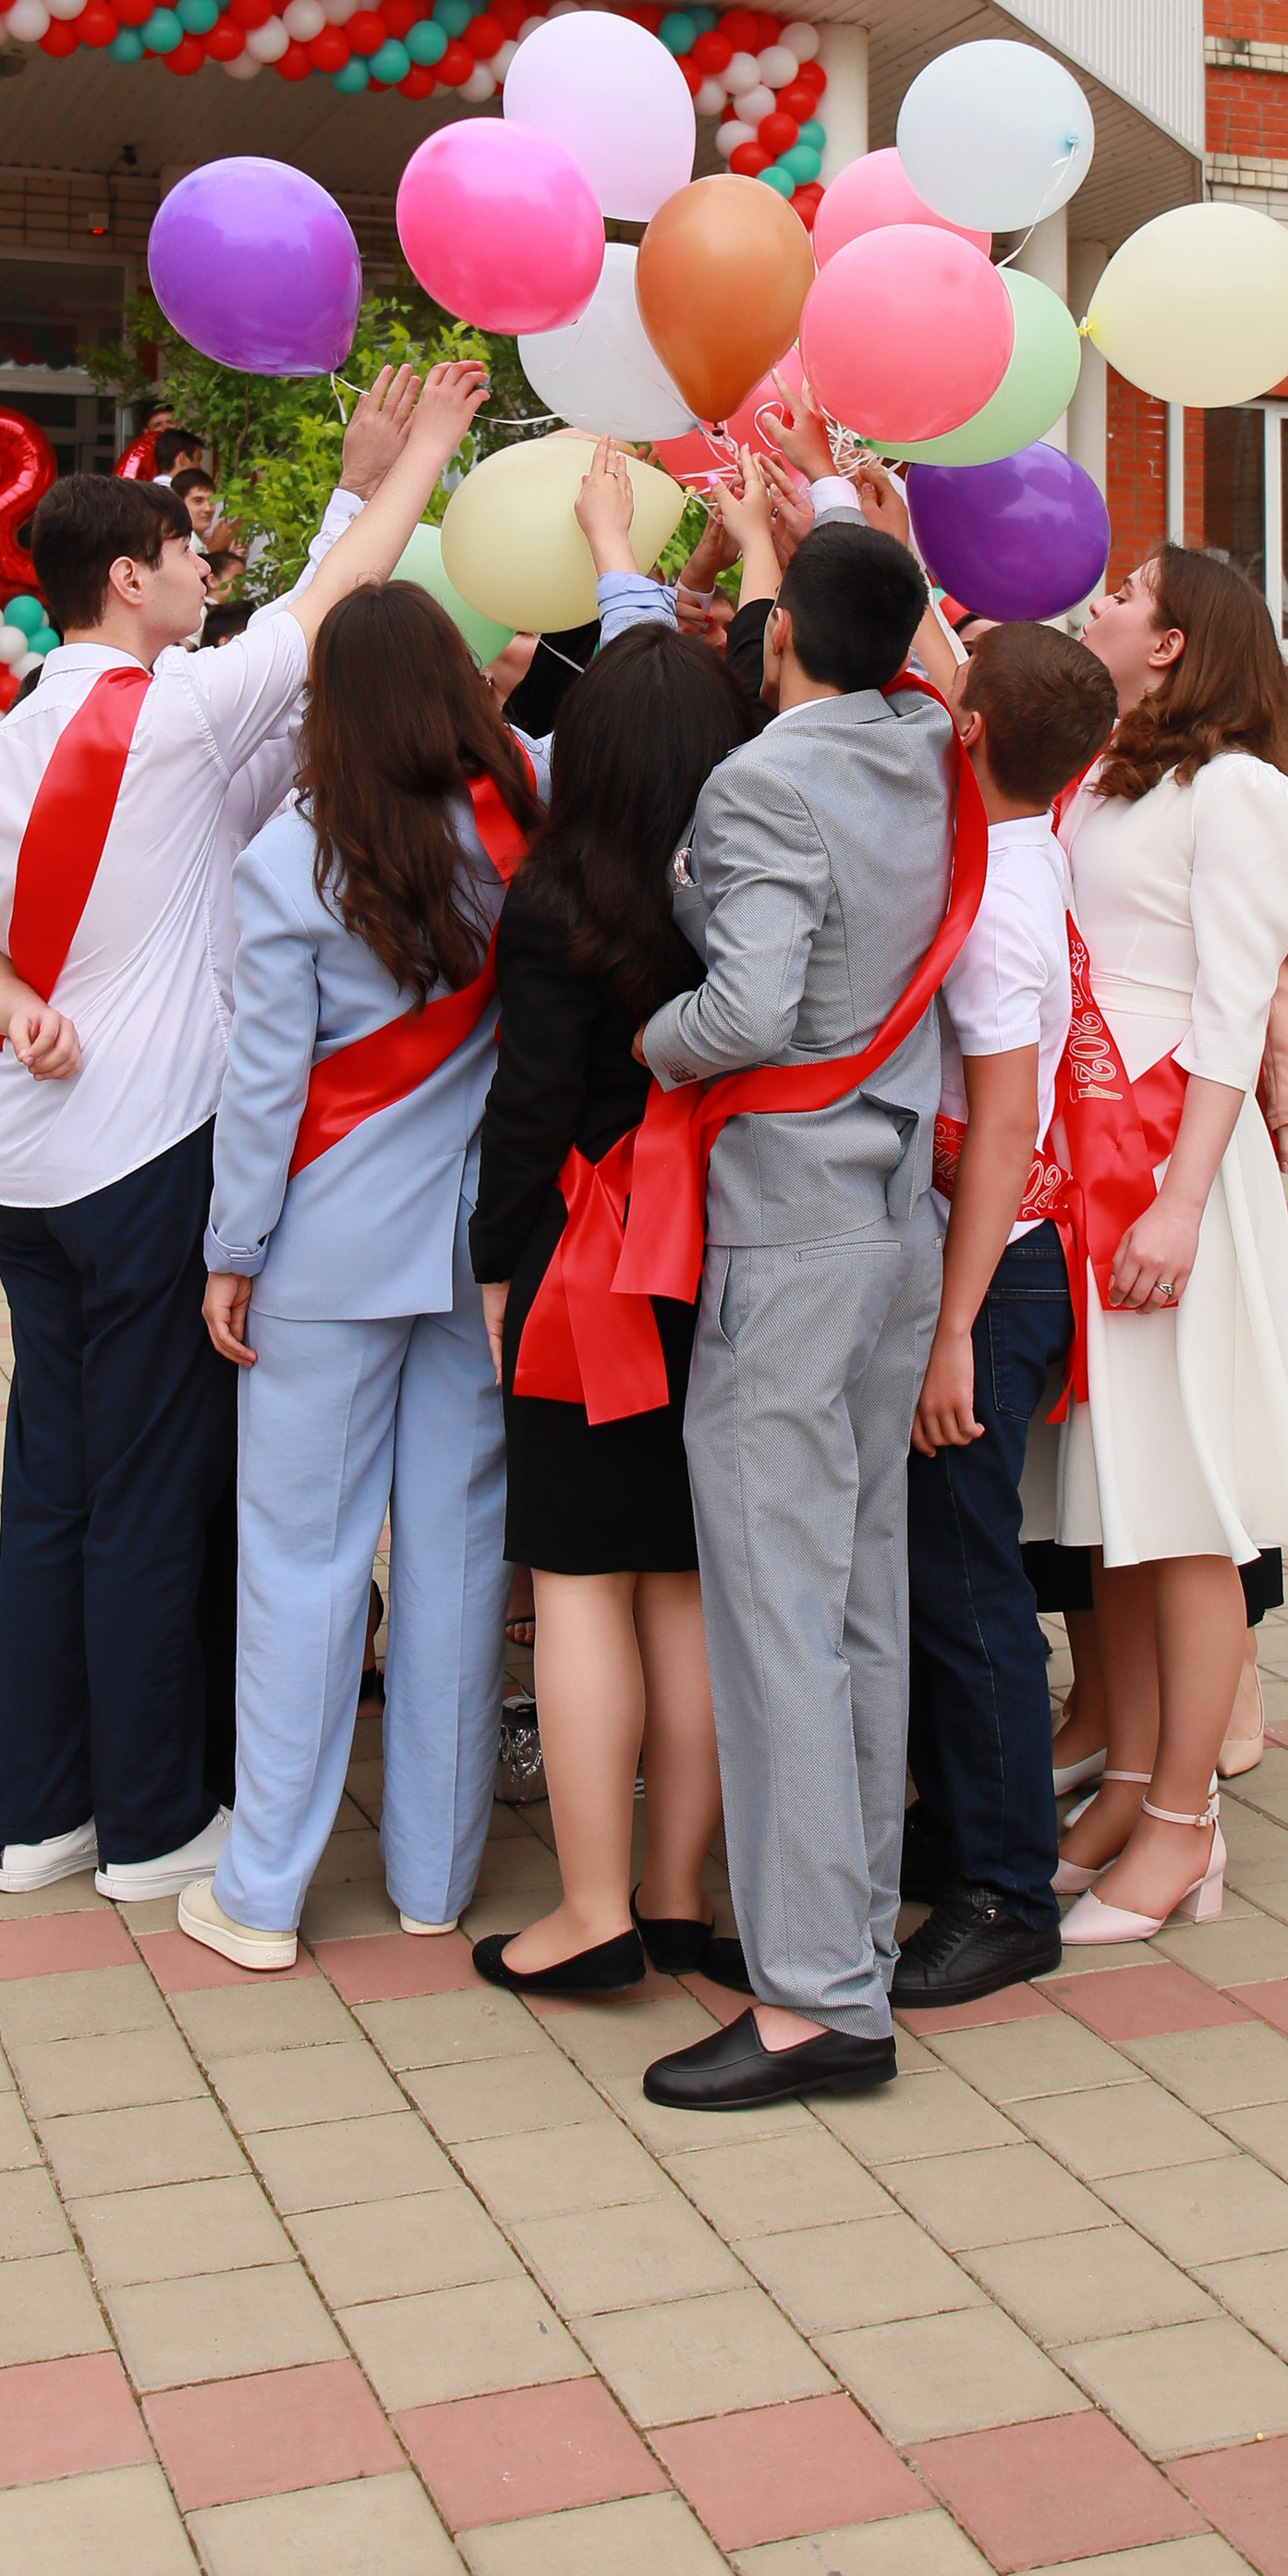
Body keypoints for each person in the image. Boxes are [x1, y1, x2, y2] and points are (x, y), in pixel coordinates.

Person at [0, 361, 489, 1898]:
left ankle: (36, 1815)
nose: (209, 567)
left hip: (27, 1177)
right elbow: (339, 611)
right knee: (154, 1501)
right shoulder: (170, 715)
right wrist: (422, 452)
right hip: (145, 1165)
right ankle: (157, 1821)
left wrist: (19, 1016)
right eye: (188, 552)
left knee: (52, 1493)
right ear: (129, 577)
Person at [176, 469, 676, 1973]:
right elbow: (644, 704)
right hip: (491, 1258)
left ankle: (265, 1889)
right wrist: (625, 567)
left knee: (304, 1568)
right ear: (459, 684)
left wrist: (231, 1252)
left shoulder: (289, 861)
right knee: (463, 1565)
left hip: (326, 1257)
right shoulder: (528, 802)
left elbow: (265, 1096)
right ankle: (436, 1880)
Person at [636, 520, 972, 2112]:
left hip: (793, 1225)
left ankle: (814, 2002)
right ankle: (849, 1951)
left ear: (787, 645)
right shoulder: (925, 742)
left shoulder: (765, 785)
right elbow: (909, 655)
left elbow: (754, 1009)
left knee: (777, 1604)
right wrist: (826, 524)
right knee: (854, 1596)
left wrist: (663, 1033)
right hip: (899, 1213)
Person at [1048, 547, 1288, 1947]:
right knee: (1120, 1510)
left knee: (1191, 1512)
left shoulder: (1244, 791)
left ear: (1173, 645)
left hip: (1174, 1175)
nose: (1095, 605)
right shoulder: (1115, 771)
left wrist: (1178, 1194)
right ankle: (1127, 1789)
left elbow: (1234, 1007)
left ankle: (1184, 1824)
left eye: (1123, 596)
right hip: (1092, 1162)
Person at [468, 610, 760, 1997]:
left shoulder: (556, 892)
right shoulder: (751, 884)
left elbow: (526, 1114)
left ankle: (589, 1912)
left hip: (587, 1260)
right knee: (687, 1591)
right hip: (724, 1253)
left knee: (580, 1587)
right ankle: (674, 1897)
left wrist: (490, 1265)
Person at [893, 623, 1119, 2009]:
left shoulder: (1003, 903)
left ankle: (1002, 1890)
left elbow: (1003, 1123)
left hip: (993, 1263)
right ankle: (961, 1833)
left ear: (971, 735)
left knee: (967, 1580)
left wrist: (952, 1326)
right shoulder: (1021, 850)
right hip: (996, 1254)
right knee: (945, 1568)